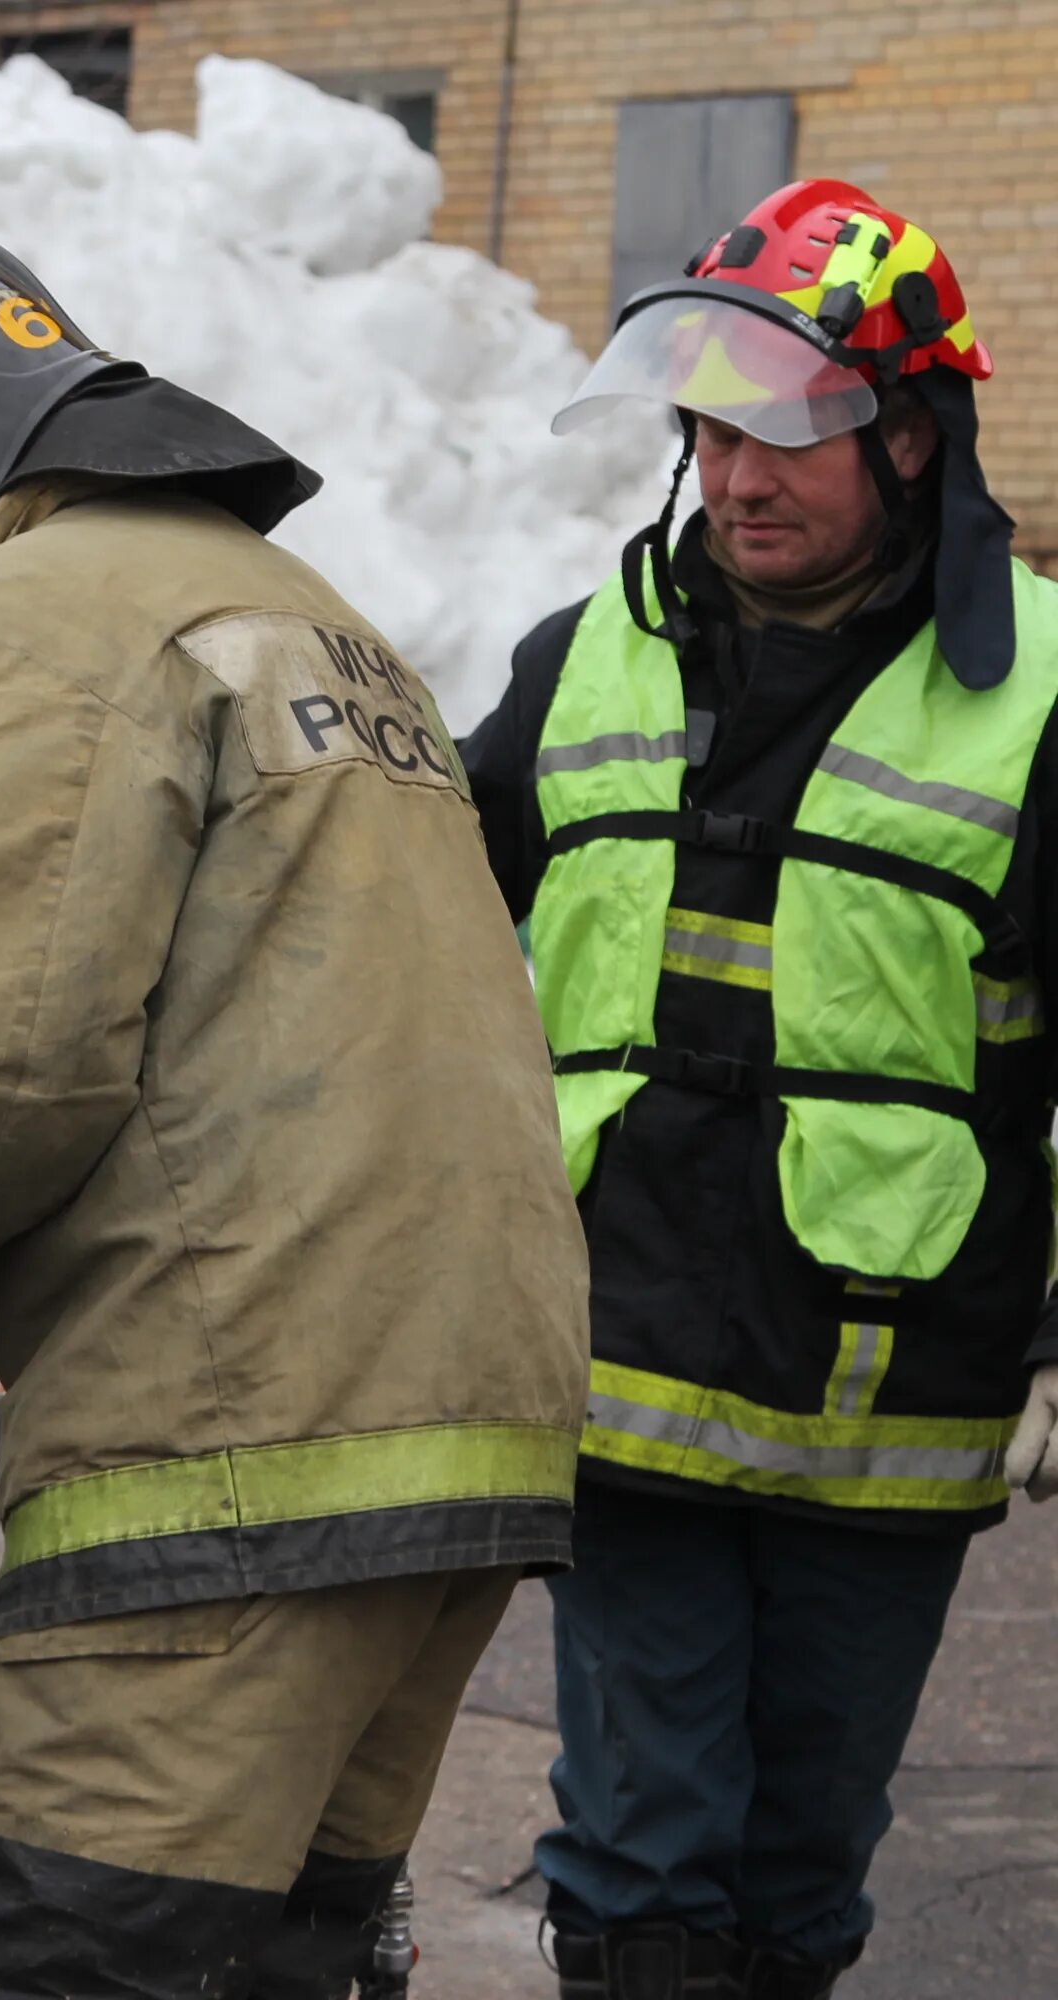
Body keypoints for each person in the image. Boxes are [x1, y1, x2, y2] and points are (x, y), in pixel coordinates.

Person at [0, 224, 590, 1998]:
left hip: (245, 1451)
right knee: (272, 1966)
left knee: (5, 1964)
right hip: (466, 1444)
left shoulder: (29, 620)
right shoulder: (305, 612)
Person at [462, 179, 1058, 2000]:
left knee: (800, 1877)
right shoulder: (580, 664)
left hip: (891, 1394)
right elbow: (411, 951)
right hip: (623, 1381)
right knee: (642, 1863)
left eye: (786, 429)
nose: (737, 478)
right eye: (708, 430)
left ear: (908, 432)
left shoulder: (1042, 697)